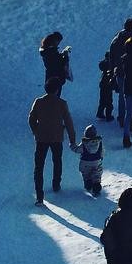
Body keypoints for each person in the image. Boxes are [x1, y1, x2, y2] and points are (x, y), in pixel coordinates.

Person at [28, 76, 76, 206]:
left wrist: (36, 131)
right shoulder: (61, 103)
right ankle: (56, 184)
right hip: (56, 137)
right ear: (57, 89)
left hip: (41, 138)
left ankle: (39, 195)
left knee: (39, 166)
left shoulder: (38, 102)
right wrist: (72, 140)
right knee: (57, 161)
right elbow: (69, 122)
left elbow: (31, 119)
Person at [107, 19, 132, 128]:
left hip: (120, 71)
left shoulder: (117, 39)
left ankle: (122, 118)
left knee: (122, 95)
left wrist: (112, 70)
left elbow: (111, 56)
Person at [74, 124, 105, 197]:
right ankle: (96, 185)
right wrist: (101, 157)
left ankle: (88, 183)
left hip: (85, 162)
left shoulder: (84, 143)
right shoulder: (99, 142)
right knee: (96, 173)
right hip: (97, 161)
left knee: (86, 174)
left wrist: (72, 145)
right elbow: (102, 151)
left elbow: (77, 150)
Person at [97, 53, 116, 121]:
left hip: (103, 84)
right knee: (109, 101)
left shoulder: (104, 65)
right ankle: (108, 115)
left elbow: (101, 65)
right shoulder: (110, 64)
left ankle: (100, 113)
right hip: (108, 84)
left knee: (102, 100)